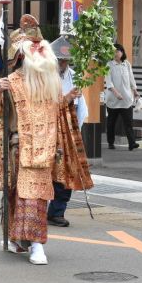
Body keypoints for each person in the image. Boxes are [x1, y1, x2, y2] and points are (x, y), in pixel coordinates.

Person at [0, 16, 91, 265]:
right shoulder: (13, 81)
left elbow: (56, 111)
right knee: (15, 194)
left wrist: (68, 99)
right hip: (18, 146)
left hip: (44, 148)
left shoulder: (49, 82)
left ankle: (37, 243)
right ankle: (17, 237)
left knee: (37, 196)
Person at [46, 35, 87, 228]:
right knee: (47, 170)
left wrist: (76, 129)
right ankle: (41, 207)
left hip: (69, 130)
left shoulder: (74, 76)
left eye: (65, 60)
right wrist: (67, 98)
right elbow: (43, 106)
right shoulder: (44, 77)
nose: (63, 63)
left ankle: (58, 211)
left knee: (67, 171)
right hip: (48, 129)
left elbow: (82, 107)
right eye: (59, 60)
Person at [104, 42, 140, 150]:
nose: (116, 53)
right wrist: (116, 93)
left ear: (122, 52)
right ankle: (111, 142)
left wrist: (135, 90)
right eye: (114, 51)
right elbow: (109, 83)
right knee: (111, 123)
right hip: (113, 100)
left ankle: (132, 143)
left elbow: (131, 79)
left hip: (126, 99)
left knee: (128, 123)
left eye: (117, 51)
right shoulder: (109, 65)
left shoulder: (127, 64)